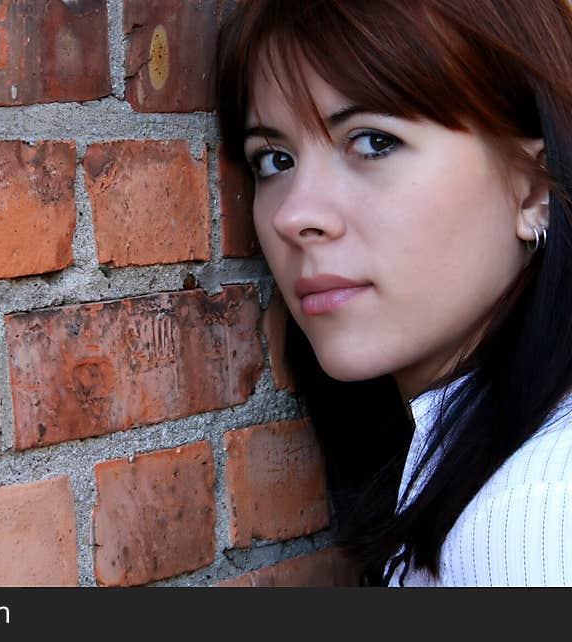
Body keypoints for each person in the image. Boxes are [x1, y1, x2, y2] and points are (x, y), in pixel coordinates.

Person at [216, 0, 572, 586]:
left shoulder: (528, 517)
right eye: (274, 160)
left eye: (374, 143)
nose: (297, 215)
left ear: (532, 188)